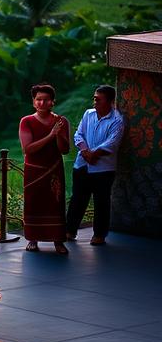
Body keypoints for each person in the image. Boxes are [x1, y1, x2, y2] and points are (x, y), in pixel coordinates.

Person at [66, 85, 125, 246]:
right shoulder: (88, 114)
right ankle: (70, 230)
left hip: (103, 169)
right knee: (77, 198)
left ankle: (99, 234)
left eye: (98, 99)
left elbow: (112, 143)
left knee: (101, 201)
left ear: (110, 102)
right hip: (82, 165)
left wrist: (94, 154)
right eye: (94, 98)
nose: (95, 102)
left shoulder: (117, 121)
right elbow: (79, 134)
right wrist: (85, 151)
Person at [19, 84, 71, 254]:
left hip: (54, 169)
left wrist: (59, 134)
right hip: (34, 170)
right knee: (34, 203)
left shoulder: (61, 121)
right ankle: (33, 239)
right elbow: (28, 149)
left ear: (52, 102)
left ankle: (58, 240)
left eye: (46, 100)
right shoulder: (26, 121)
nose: (42, 103)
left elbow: (64, 149)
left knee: (55, 204)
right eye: (38, 99)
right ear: (34, 102)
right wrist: (51, 135)